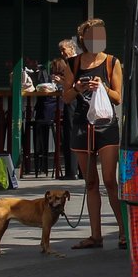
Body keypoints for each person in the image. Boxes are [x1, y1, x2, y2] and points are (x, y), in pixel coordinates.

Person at [60, 19, 124, 249]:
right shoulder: (73, 63)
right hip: (81, 124)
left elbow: (118, 97)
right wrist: (77, 88)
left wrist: (103, 88)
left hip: (106, 124)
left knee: (110, 180)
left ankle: (123, 232)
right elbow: (66, 98)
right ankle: (96, 236)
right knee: (90, 182)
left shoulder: (112, 62)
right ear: (83, 39)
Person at [57, 38, 79, 180]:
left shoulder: (73, 63)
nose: (62, 53)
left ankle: (71, 171)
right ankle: (78, 170)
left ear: (71, 48)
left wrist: (61, 81)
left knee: (70, 132)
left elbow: (73, 83)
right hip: (77, 100)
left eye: (64, 49)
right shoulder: (79, 62)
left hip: (72, 100)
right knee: (77, 133)